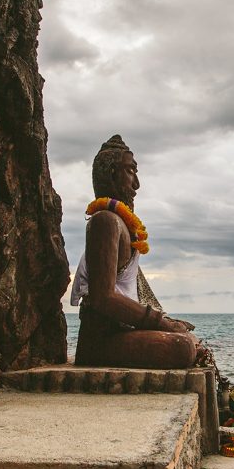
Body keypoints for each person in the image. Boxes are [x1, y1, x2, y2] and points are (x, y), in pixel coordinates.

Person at [71, 135, 198, 368]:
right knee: (183, 347)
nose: (136, 184)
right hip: (102, 338)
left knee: (192, 342)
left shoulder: (123, 225)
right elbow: (102, 297)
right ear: (111, 173)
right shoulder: (105, 222)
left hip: (123, 330)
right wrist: (162, 324)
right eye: (131, 171)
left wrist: (165, 322)